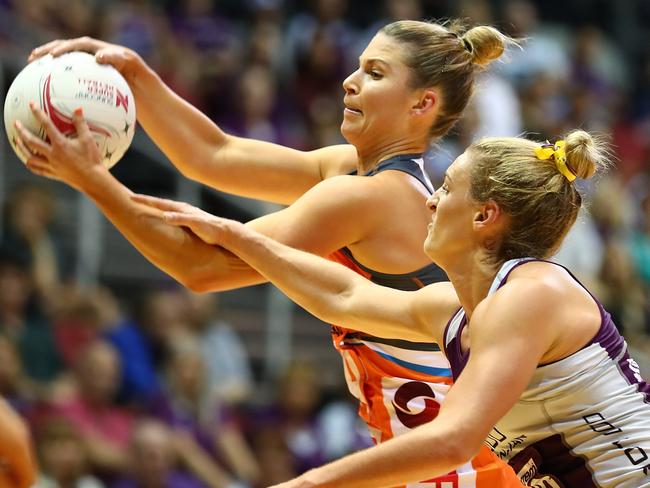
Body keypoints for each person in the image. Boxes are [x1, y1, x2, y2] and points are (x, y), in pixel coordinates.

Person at [19, 20, 523, 486]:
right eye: (358, 65)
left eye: (374, 73)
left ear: (422, 105)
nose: (349, 81)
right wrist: (135, 74)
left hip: (457, 468)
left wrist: (95, 182)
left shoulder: (371, 197)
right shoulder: (353, 170)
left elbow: (200, 266)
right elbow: (214, 154)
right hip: (431, 451)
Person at [132, 130, 650, 487]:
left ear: (484, 217)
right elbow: (345, 296)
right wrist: (237, 237)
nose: (431, 200)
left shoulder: (532, 294)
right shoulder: (463, 306)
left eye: (447, 190)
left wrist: (311, 481)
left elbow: (451, 440)